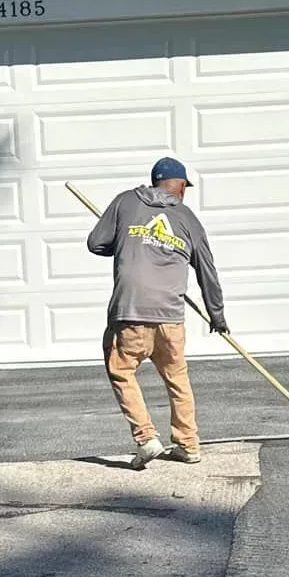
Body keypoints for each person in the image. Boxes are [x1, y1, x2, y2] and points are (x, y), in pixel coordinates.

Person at [86, 157, 228, 468]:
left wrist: (126, 242)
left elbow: (96, 243)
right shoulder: (187, 217)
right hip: (170, 315)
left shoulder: (125, 202)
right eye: (184, 186)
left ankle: (146, 438)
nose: (185, 192)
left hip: (131, 312)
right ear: (178, 187)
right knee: (177, 378)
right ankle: (188, 445)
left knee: (121, 371)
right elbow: (207, 270)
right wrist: (217, 316)